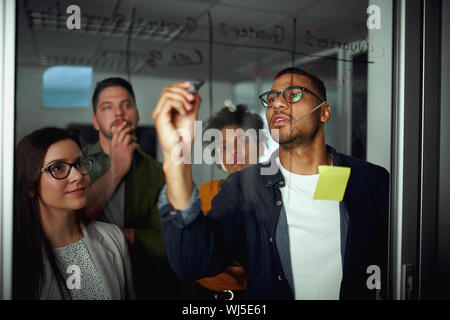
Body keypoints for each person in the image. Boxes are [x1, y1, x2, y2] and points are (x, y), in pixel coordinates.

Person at [152, 67, 390, 300]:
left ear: (324, 112)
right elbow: (192, 263)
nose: (277, 103)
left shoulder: (370, 181)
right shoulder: (241, 189)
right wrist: (176, 157)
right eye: (272, 98)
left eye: (294, 94)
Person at [84, 77, 181, 299]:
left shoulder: (160, 171)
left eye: (126, 105)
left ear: (137, 115)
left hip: (145, 286)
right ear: (96, 121)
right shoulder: (76, 164)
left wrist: (116, 236)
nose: (119, 113)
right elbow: (64, 229)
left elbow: (170, 243)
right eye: (107, 107)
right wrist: (117, 170)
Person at [13, 127, 135, 300]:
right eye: (57, 168)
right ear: (31, 185)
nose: (77, 175)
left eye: (78, 164)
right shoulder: (13, 254)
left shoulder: (112, 238)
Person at [194, 104, 266, 300]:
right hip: (204, 295)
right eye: (224, 146)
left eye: (243, 143)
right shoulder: (205, 192)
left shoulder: (275, 194)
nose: (235, 153)